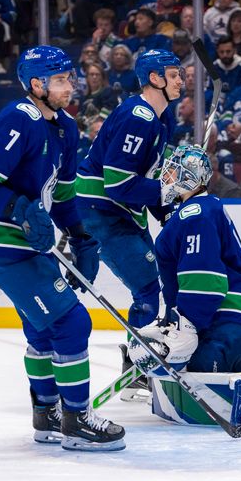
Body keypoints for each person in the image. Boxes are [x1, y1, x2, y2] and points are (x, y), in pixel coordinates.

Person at [0, 46, 125, 451]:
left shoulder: (66, 128)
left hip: (30, 247)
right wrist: (17, 207)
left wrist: (81, 235)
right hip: (2, 245)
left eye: (70, 78)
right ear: (37, 84)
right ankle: (77, 419)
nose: (71, 85)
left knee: (43, 326)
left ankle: (47, 413)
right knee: (71, 324)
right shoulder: (22, 117)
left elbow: (64, 195)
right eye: (61, 80)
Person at [75, 50, 183, 387]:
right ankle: (139, 367)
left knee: (157, 282)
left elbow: (145, 179)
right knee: (149, 286)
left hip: (120, 213)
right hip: (103, 213)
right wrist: (168, 193)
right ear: (155, 78)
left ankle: (142, 360)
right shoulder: (139, 117)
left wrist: (169, 212)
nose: (181, 80)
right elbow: (119, 183)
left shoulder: (158, 121)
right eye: (174, 74)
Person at [142, 144, 241, 374]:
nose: (165, 177)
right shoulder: (198, 209)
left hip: (229, 320)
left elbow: (206, 281)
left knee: (198, 372)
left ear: (188, 177)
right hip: (228, 320)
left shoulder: (196, 214)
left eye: (172, 171)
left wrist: (186, 324)